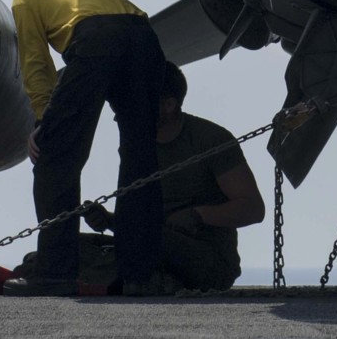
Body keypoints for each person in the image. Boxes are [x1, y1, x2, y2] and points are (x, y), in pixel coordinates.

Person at [1, 0, 169, 297]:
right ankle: (138, 275)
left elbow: (36, 63)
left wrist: (41, 124)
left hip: (95, 38)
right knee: (141, 158)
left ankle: (55, 274)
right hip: (144, 37)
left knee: (55, 158)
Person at [71, 63, 263, 292]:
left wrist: (197, 215)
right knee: (66, 246)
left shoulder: (210, 139)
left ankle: (130, 280)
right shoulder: (136, 145)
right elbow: (140, 222)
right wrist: (110, 220)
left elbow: (253, 209)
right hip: (148, 244)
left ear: (169, 104)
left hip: (207, 260)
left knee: (149, 242)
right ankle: (148, 281)